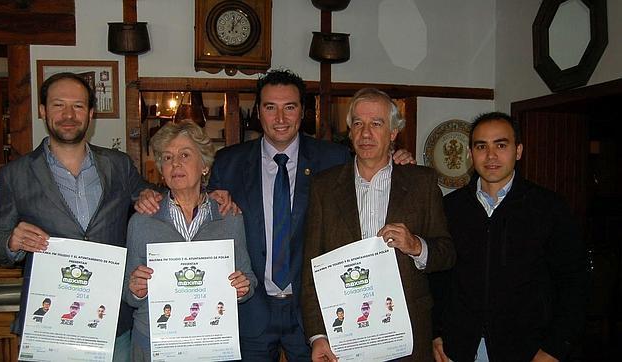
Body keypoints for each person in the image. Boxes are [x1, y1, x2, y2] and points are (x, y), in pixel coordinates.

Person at [134, 69, 413, 361]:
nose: (280, 118)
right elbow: (195, 205)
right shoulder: (229, 162)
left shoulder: (334, 159)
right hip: (249, 310)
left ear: (302, 112)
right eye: (270, 107)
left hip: (314, 312)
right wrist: (147, 194)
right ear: (258, 112)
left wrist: (399, 158)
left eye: (289, 107)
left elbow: (373, 169)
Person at [0, 72, 151, 362]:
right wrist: (11, 241)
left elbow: (153, 201)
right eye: (59, 105)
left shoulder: (119, 165)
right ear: (43, 111)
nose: (69, 115)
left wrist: (209, 196)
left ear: (91, 113)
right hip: (50, 326)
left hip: (112, 323)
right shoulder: (16, 173)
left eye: (78, 106)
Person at [301, 88, 455, 362]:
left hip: (407, 334)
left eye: (377, 123)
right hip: (344, 333)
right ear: (349, 132)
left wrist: (416, 246)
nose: (366, 133)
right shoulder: (323, 186)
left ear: (394, 133)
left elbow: (446, 253)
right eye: (358, 124)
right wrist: (317, 335)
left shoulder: (422, 182)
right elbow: (311, 267)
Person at [430, 112, 587, 362]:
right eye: (481, 146)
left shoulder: (548, 207)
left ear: (518, 151)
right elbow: (439, 278)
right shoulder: (451, 208)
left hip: (529, 349)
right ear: (470, 154)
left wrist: (555, 347)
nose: (491, 156)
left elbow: (574, 282)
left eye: (501, 145)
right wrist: (436, 333)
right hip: (460, 347)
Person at [123, 121, 256, 361]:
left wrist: (242, 288)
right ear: (161, 170)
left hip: (211, 342)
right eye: (167, 157)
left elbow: (248, 278)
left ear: (204, 165)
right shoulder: (141, 221)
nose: (175, 164)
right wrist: (136, 289)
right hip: (154, 344)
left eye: (185, 155)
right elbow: (129, 292)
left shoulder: (229, 217)